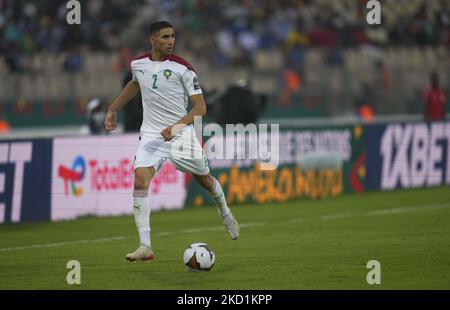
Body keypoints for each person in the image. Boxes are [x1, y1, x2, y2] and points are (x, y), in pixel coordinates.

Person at [104, 21, 240, 262]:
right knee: (140, 180)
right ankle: (145, 245)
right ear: (152, 39)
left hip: (181, 134)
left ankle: (225, 211)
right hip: (151, 135)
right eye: (165, 37)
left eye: (172, 37)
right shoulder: (138, 65)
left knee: (206, 181)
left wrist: (177, 126)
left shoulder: (183, 68)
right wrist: (113, 108)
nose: (170, 41)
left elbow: (200, 108)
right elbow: (134, 85)